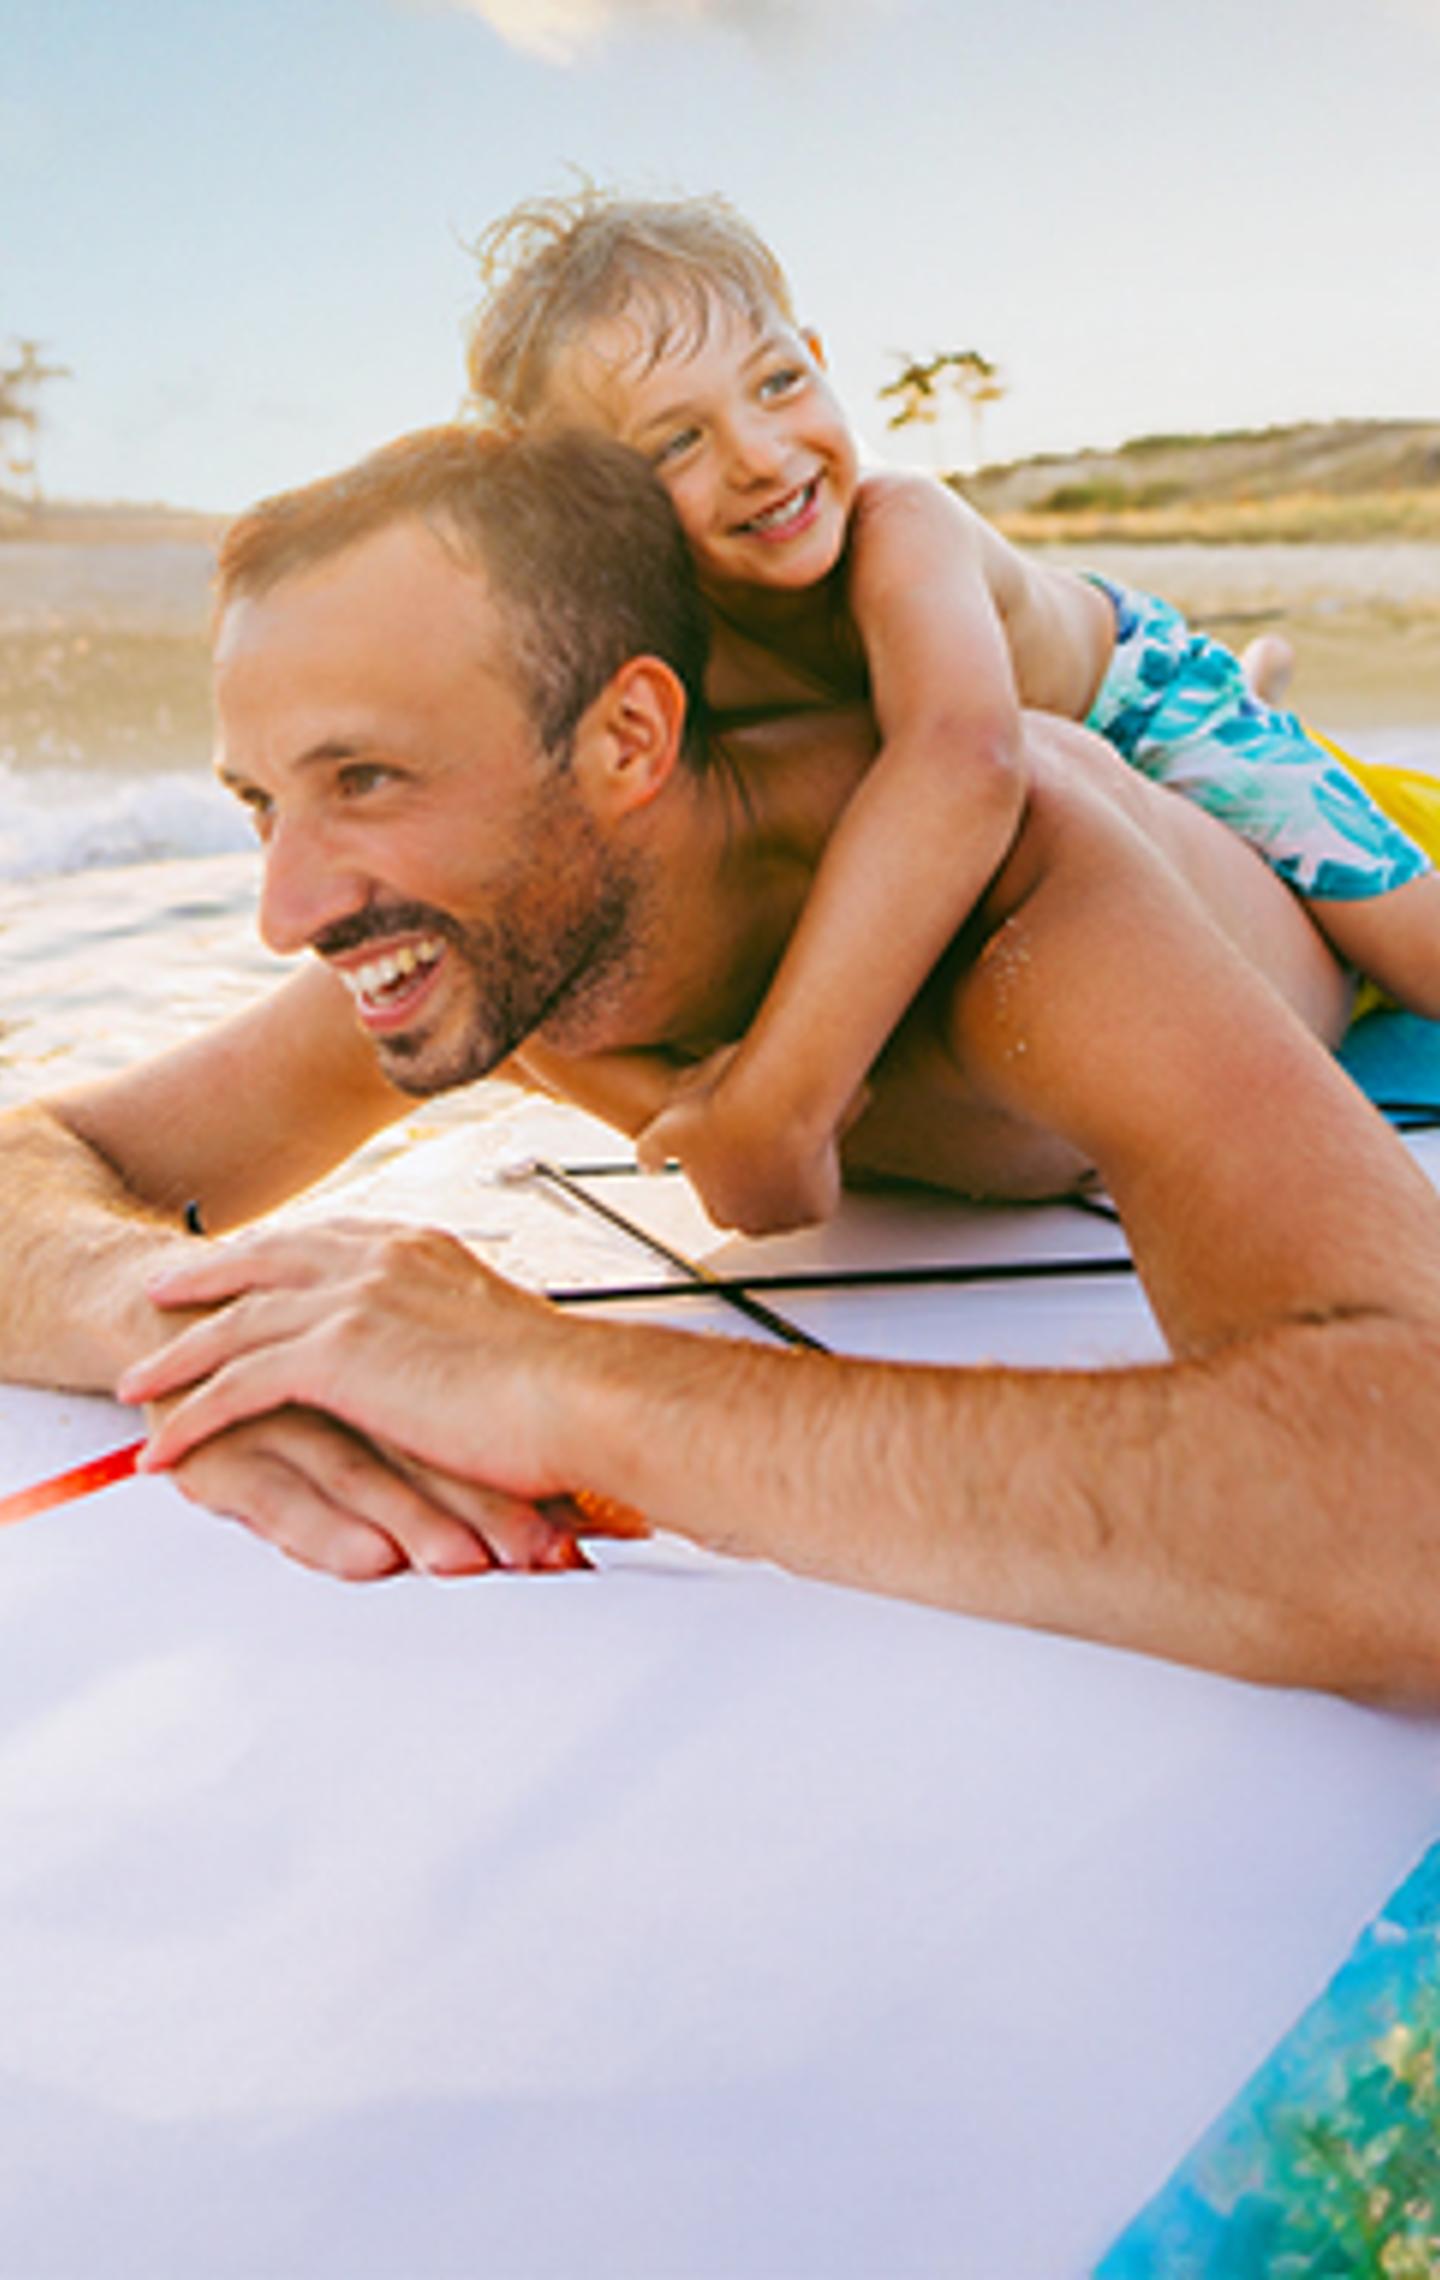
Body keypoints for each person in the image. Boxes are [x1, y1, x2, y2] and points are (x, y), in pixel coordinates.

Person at [4, 422, 1440, 1697]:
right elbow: (42, 1160)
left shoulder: (1017, 903)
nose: (286, 912)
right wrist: (194, 1329)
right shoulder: (491, 945)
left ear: (630, 739)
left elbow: (1398, 1514)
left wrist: (549, 1377)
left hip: (1327, 881)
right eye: (264, 804)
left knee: (1277, 758)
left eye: (366, 778)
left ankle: (1258, 687)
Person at [466, 187, 1440, 1236]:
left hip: (1143, 706)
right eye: (675, 443)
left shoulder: (904, 527)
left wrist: (784, 1097)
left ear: (819, 358)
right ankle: (1268, 677)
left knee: (1409, 938)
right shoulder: (653, 653)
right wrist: (686, 1106)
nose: (760, 455)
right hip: (1023, 816)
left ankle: (1259, 691)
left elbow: (960, 757)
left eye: (778, 383)